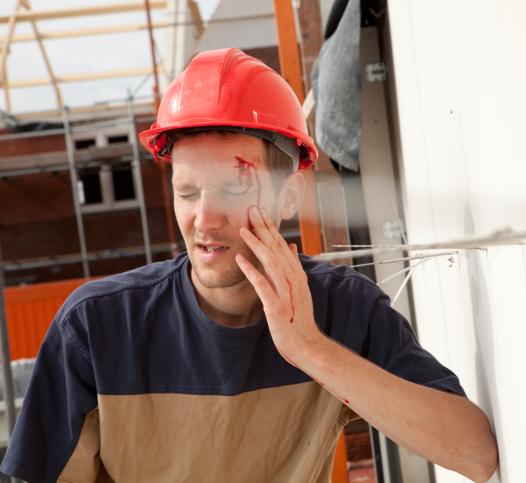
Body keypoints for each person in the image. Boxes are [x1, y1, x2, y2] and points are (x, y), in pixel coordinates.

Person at [0, 48, 498, 482]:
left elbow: (475, 454)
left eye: (234, 189)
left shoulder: (339, 308)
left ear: (288, 196)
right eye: (187, 192)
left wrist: (309, 348)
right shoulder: (97, 326)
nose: (204, 218)